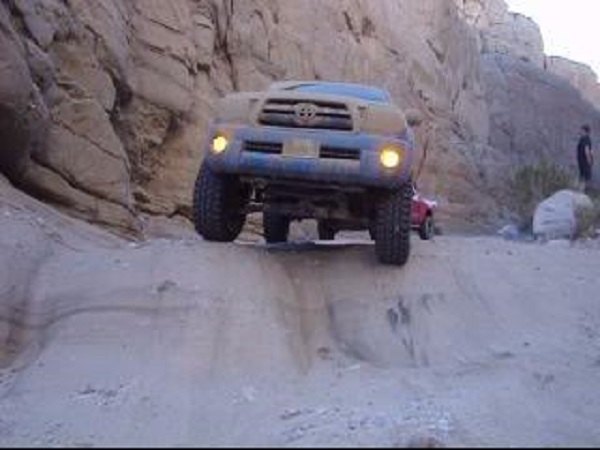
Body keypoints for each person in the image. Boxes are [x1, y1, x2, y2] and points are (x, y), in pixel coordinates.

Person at [577, 125, 594, 190]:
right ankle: (582, 189)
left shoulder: (585, 139)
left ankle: (582, 190)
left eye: (582, 130)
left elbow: (586, 150)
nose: (580, 132)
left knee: (584, 176)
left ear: (585, 131)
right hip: (583, 161)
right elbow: (591, 150)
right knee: (584, 176)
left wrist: (589, 160)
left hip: (584, 161)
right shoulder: (586, 139)